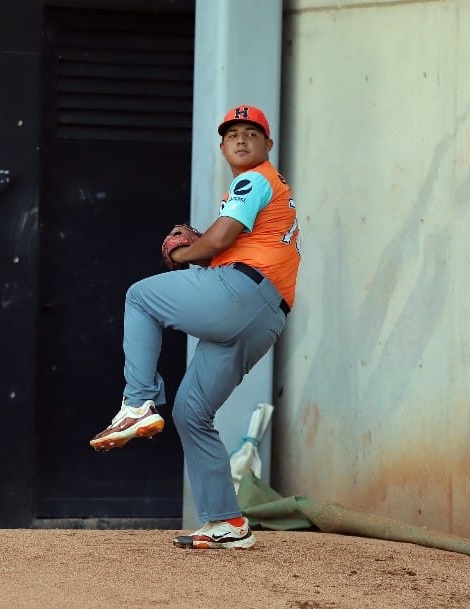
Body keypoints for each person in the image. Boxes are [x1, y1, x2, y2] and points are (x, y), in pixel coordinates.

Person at [89, 104, 300, 549]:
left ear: (268, 145)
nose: (241, 139)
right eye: (232, 134)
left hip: (242, 294)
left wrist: (184, 254)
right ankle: (228, 522)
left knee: (140, 296)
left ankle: (138, 403)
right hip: (265, 317)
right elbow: (226, 245)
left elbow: (220, 240)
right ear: (222, 146)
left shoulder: (255, 179)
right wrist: (205, 248)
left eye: (251, 133)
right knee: (191, 412)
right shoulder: (267, 189)